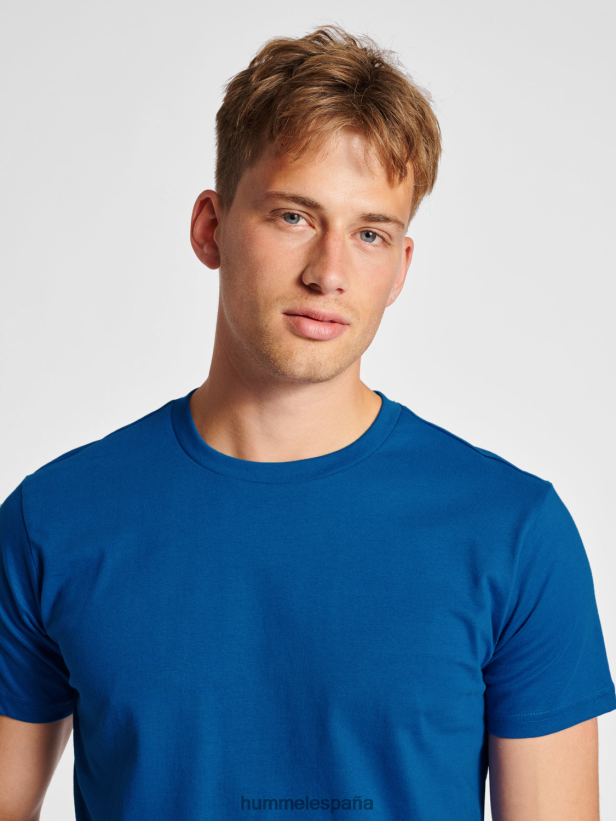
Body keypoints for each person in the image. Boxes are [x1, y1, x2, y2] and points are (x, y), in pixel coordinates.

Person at [0, 24, 614, 821]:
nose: (330, 272)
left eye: (370, 233)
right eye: (294, 216)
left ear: (400, 267)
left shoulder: (514, 532)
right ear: (211, 228)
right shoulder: (53, 521)